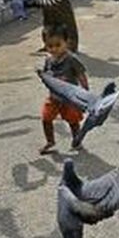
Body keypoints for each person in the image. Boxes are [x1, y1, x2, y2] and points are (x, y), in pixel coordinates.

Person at [38, 24, 88, 155]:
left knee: (73, 121)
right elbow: (47, 75)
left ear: (67, 42)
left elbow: (81, 75)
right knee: (46, 118)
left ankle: (77, 140)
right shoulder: (49, 60)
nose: (54, 49)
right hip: (53, 97)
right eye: (50, 46)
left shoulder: (71, 60)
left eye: (58, 45)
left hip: (70, 98)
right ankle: (50, 141)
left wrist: (85, 92)